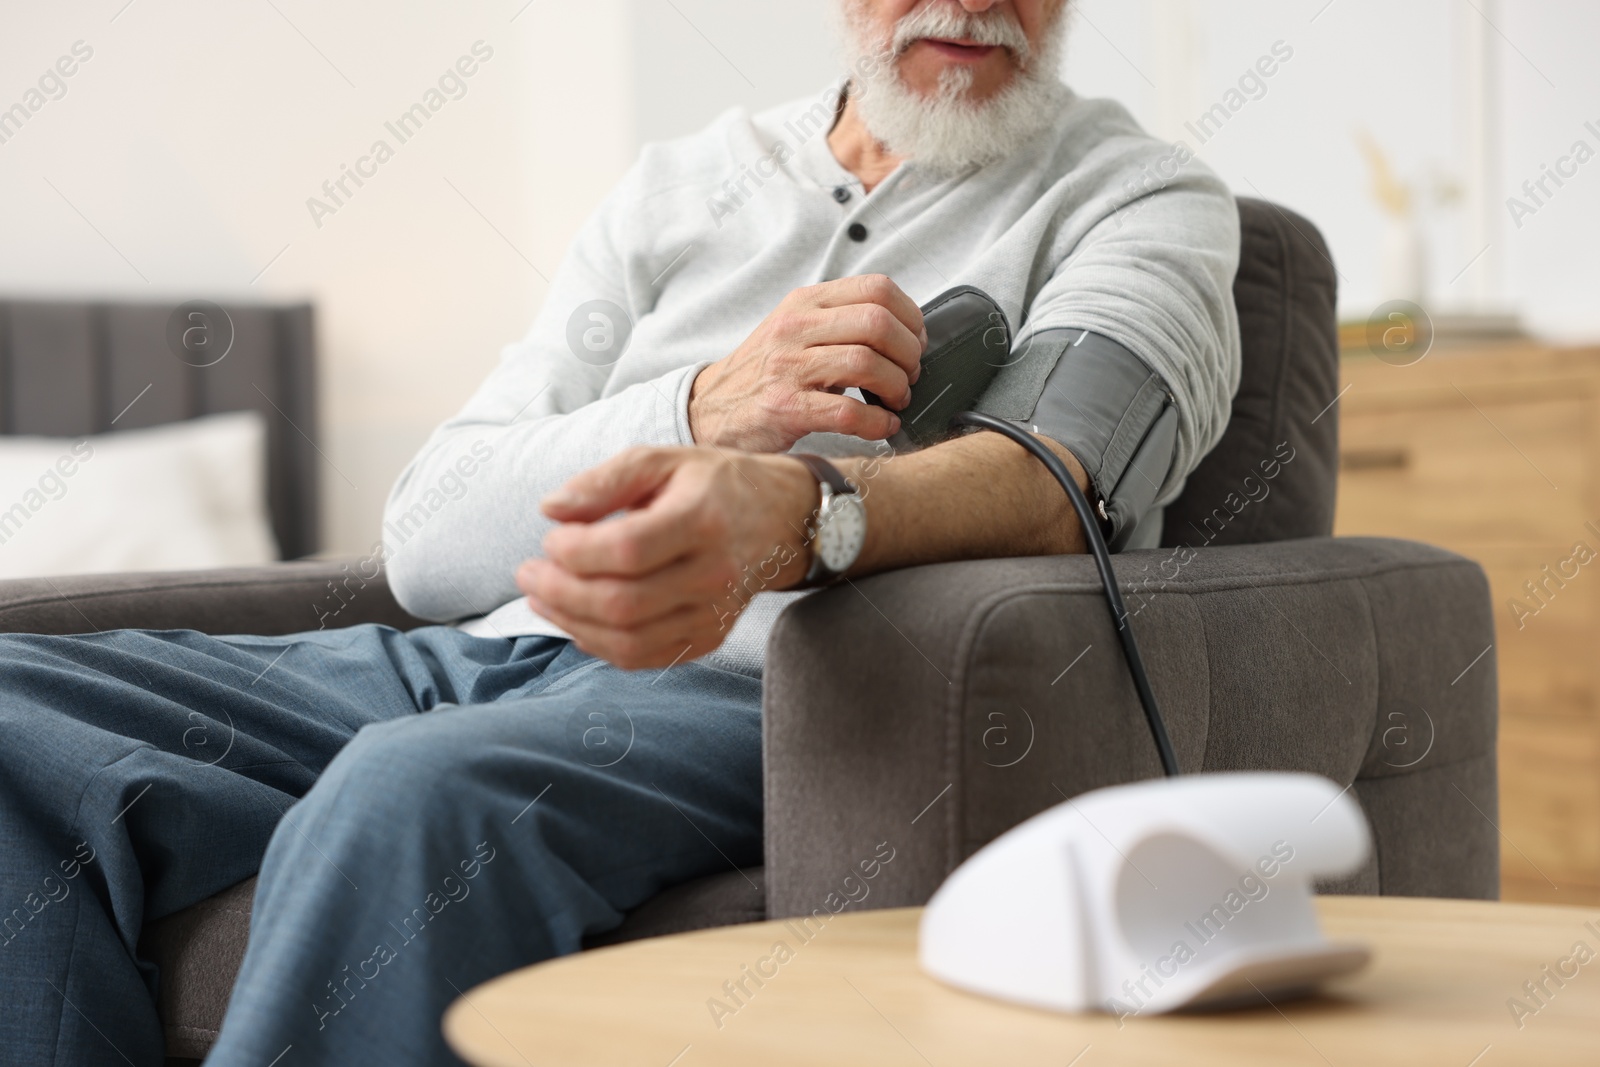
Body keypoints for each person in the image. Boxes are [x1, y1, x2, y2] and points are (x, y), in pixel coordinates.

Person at [0, 1, 1238, 1063]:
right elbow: (429, 536)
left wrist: (801, 516)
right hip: (468, 655)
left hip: (753, 690)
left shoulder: (1138, 197)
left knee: (406, 793)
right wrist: (707, 404)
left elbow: (1053, 478)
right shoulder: (678, 186)